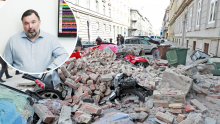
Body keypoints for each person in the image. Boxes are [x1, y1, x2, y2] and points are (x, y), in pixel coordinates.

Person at [3, 9, 69, 73]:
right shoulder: (13, 40)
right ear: (23, 24)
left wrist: (50, 69)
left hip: (44, 80)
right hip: (18, 80)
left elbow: (63, 55)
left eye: (33, 22)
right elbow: (5, 65)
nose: (30, 26)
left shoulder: (51, 39)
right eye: (26, 23)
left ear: (39, 22)